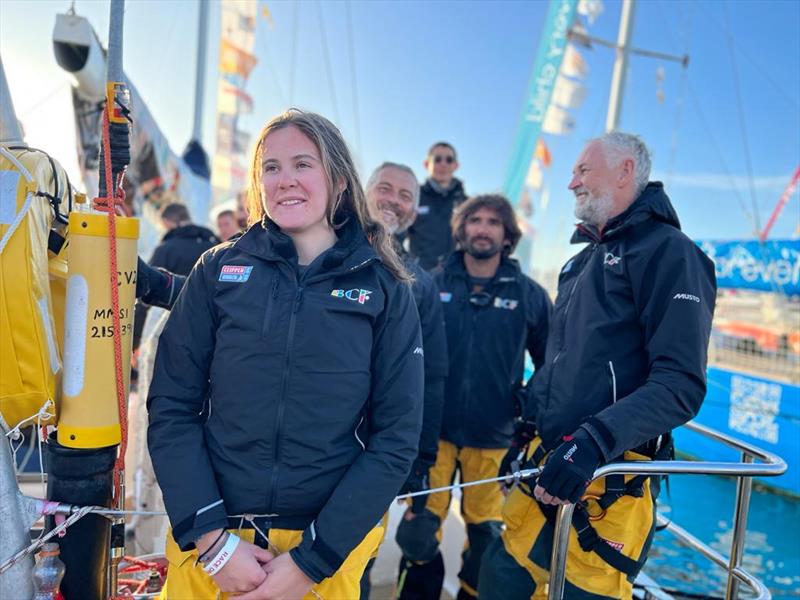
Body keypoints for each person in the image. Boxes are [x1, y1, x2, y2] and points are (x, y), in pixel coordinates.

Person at [147, 109, 424, 599]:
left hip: (322, 556)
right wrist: (212, 542)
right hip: (212, 547)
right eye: (270, 167)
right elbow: (172, 407)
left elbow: (396, 436)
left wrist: (311, 562)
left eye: (303, 163)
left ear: (338, 180)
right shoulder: (217, 269)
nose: (285, 180)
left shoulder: (384, 285)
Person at [479, 132, 716, 599]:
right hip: (547, 468)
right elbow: (561, 363)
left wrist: (593, 442)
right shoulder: (579, 264)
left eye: (582, 171)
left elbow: (681, 383)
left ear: (626, 170)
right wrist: (526, 427)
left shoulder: (671, 253)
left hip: (607, 481)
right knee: (499, 578)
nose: (571, 183)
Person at [397, 194, 551, 600]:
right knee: (415, 534)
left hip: (494, 439)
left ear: (507, 235)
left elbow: (552, 363)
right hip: (434, 436)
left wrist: (526, 411)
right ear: (461, 230)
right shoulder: (431, 284)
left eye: (493, 222)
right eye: (475, 221)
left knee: (485, 537)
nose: (482, 228)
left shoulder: (529, 295)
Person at [359, 162, 449, 597]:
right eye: (386, 188)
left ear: (414, 212)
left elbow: (431, 377)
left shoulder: (421, 284)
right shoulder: (317, 246)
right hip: (303, 446)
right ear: (363, 190)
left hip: (373, 453)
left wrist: (421, 461)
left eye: (406, 195)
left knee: (358, 557)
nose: (394, 200)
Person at [406, 142, 467, 271]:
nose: (443, 164)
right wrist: (405, 268)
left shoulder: (466, 204)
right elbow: (394, 236)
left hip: (455, 277)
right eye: (437, 159)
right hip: (419, 277)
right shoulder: (413, 197)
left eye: (449, 160)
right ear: (427, 164)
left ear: (456, 165)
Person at [149, 202, 220, 275]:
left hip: (177, 286)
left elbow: (151, 278)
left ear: (166, 221)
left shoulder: (165, 249)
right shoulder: (213, 243)